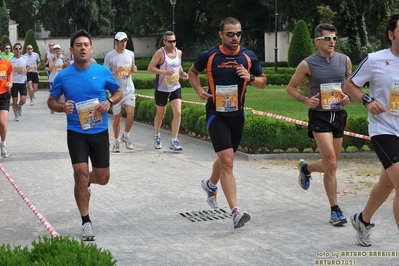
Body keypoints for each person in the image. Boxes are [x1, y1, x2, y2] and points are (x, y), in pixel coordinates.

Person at [188, 17, 266, 228]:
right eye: (230, 34)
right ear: (220, 34)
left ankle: (210, 184)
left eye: (238, 33)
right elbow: (192, 72)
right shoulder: (210, 56)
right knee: (228, 161)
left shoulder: (248, 57)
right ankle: (235, 211)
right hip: (216, 114)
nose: (235, 38)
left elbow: (263, 82)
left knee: (226, 158)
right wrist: (198, 90)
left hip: (237, 115)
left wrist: (250, 78)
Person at [47, 29, 122, 241]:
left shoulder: (102, 71)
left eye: (85, 44)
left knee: (103, 178)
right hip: (76, 131)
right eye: (78, 45)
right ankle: (86, 221)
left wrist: (110, 101)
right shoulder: (63, 75)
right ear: (72, 50)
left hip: (99, 131)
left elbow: (118, 92)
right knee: (79, 174)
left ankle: (86, 182)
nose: (82, 48)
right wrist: (62, 107)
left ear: (91, 48)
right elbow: (51, 101)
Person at [285, 24, 352, 226]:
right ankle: (335, 210)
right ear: (317, 41)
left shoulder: (344, 60)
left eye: (334, 38)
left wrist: (348, 97)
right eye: (327, 39)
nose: (332, 42)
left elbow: (350, 86)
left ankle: (306, 169)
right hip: (320, 117)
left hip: (338, 115)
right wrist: (307, 100)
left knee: (331, 164)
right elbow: (290, 88)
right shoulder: (307, 64)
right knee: (331, 163)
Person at [344, 12, 399, 247]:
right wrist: (366, 100)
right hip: (384, 129)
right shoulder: (375, 60)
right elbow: (350, 84)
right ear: (391, 34)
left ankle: (362, 220)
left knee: (387, 184)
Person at [147, 31, 188, 151]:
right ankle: (157, 135)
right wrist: (163, 72)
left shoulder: (178, 52)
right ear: (164, 42)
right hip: (162, 88)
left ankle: (174, 141)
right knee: (161, 113)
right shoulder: (160, 53)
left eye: (174, 41)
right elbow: (150, 68)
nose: (172, 44)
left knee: (178, 112)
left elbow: (178, 64)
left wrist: (182, 73)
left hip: (175, 86)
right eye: (170, 41)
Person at [104, 32, 137, 152]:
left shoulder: (130, 54)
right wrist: (114, 73)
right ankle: (117, 140)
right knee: (117, 118)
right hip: (115, 92)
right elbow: (104, 75)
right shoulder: (110, 56)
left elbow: (132, 67)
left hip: (128, 90)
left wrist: (134, 69)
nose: (123, 43)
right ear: (116, 42)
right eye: (121, 41)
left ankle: (126, 135)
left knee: (131, 114)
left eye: (125, 41)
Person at [9, 43, 29, 122]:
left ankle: (19, 106)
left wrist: (26, 70)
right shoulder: (10, 60)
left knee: (23, 100)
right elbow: (8, 71)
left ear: (21, 50)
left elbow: (27, 66)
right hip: (14, 82)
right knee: (14, 99)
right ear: (13, 50)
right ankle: (16, 115)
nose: (18, 50)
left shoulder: (25, 58)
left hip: (22, 81)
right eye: (16, 49)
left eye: (19, 49)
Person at [0, 43, 13, 157]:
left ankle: (3, 145)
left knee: (2, 123)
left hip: (4, 95)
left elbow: (9, 72)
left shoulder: (6, 62)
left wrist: (10, 83)